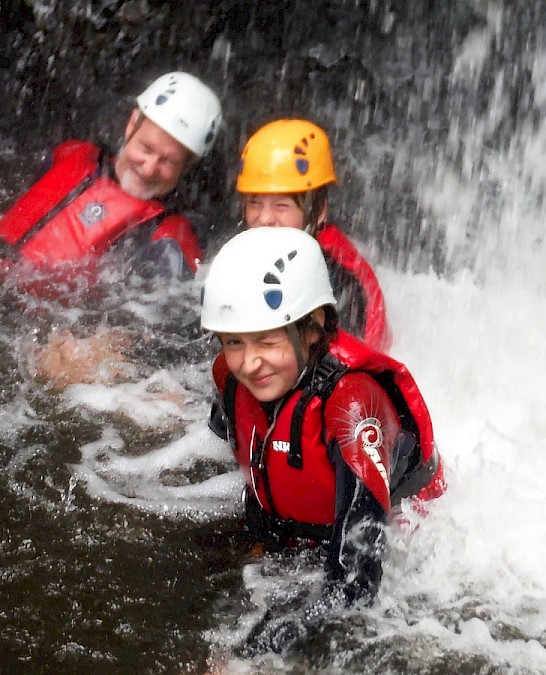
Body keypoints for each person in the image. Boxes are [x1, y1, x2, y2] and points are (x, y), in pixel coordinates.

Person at [201, 226, 444, 655]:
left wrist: (258, 651)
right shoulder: (230, 375)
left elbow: (358, 579)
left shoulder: (350, 403)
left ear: (313, 329)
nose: (249, 362)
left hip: (395, 553)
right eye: (233, 341)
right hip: (291, 540)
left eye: (267, 340)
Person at [0, 70, 222, 280]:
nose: (148, 168)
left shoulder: (171, 240)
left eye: (168, 161)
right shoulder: (71, 154)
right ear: (131, 125)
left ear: (187, 164)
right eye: (146, 148)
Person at [236, 119, 392, 351]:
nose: (264, 218)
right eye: (254, 203)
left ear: (319, 212)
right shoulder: (256, 247)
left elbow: (347, 362)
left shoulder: (338, 278)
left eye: (281, 205)